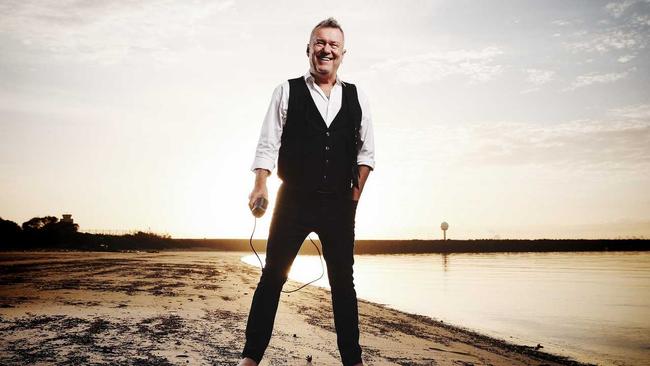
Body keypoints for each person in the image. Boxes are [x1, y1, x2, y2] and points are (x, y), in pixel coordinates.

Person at [238, 17, 375, 366]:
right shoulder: (286, 90)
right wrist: (260, 185)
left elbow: (366, 154)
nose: (325, 49)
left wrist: (352, 202)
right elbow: (267, 144)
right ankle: (250, 358)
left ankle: (353, 361)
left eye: (333, 44)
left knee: (344, 284)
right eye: (319, 43)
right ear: (309, 49)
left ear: (343, 53)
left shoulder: (357, 97)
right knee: (272, 277)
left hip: (338, 207)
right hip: (293, 201)